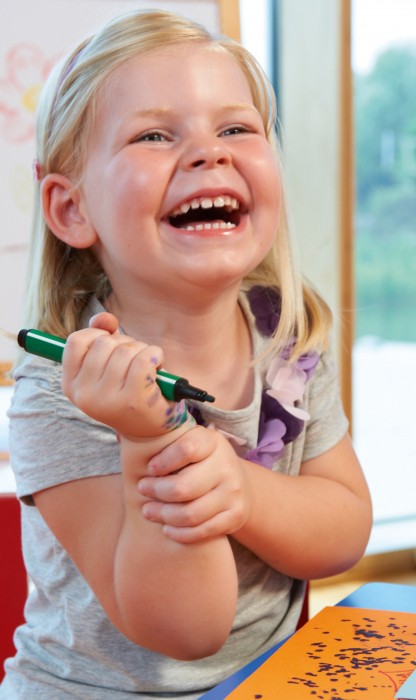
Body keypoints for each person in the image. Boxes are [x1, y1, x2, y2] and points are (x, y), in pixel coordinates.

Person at [1, 9, 372, 699]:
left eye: (235, 129)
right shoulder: (60, 389)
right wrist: (152, 439)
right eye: (153, 135)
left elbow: (344, 531)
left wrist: (241, 492)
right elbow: (186, 629)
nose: (210, 153)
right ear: (72, 209)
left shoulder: (287, 335)